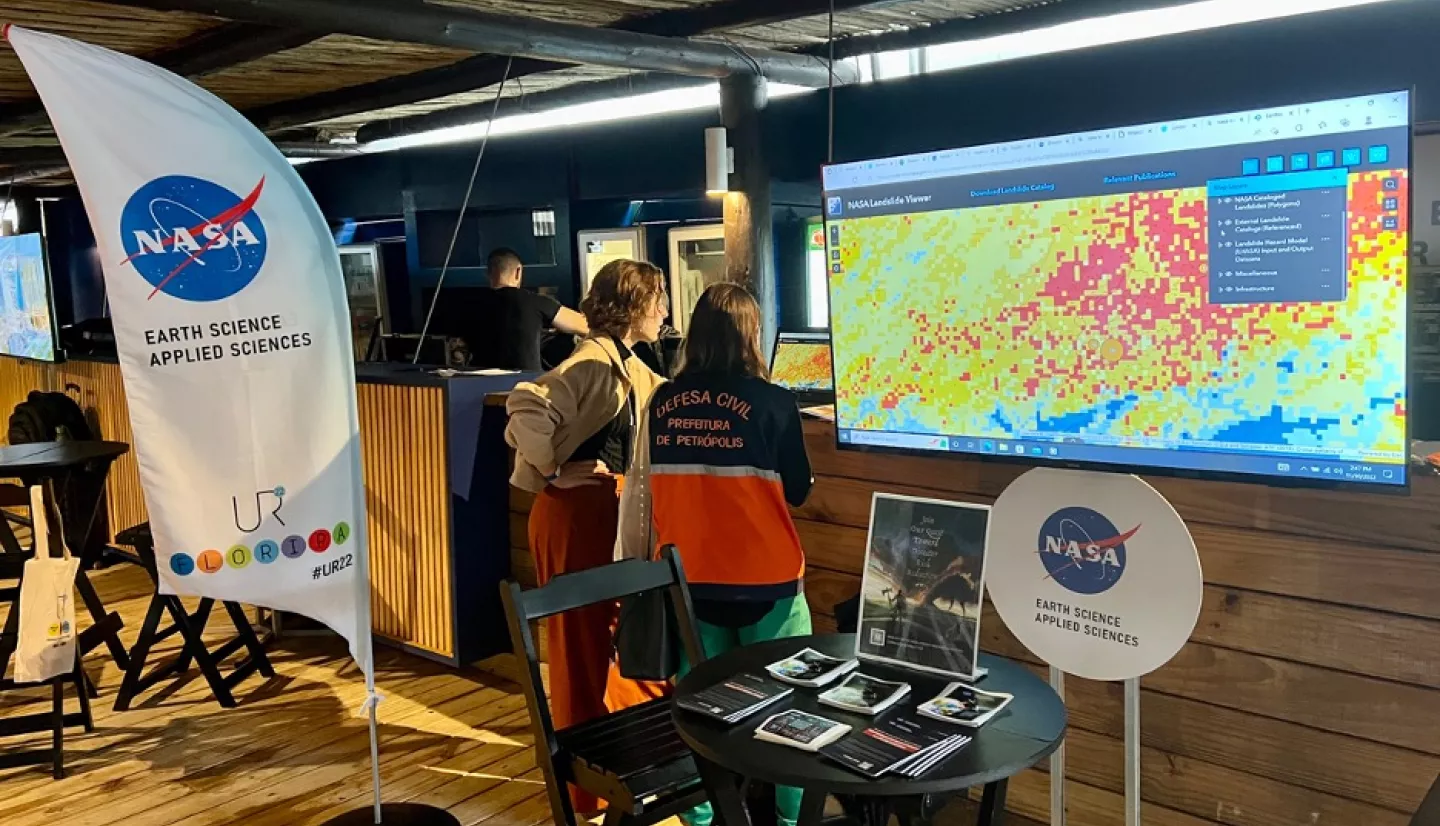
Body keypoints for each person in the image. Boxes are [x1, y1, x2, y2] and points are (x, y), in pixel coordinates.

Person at [617, 282, 813, 826]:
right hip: (767, 582)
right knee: (789, 707)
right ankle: (793, 818)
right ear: (752, 335)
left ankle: (703, 817)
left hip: (689, 583)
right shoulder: (775, 403)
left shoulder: (661, 402)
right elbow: (798, 489)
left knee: (698, 710)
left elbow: (644, 491)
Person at [505, 258, 670, 814]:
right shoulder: (594, 362)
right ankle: (584, 789)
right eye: (658, 298)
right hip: (576, 515)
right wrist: (553, 467)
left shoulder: (626, 362)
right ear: (635, 305)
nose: (665, 310)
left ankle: (610, 772)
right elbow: (524, 402)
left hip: (603, 514)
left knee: (608, 640)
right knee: (579, 646)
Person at [467, 247, 588, 371]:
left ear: (488, 274)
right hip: (527, 385)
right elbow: (585, 326)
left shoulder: (472, 306)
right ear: (518, 272)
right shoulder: (535, 302)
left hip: (481, 385)